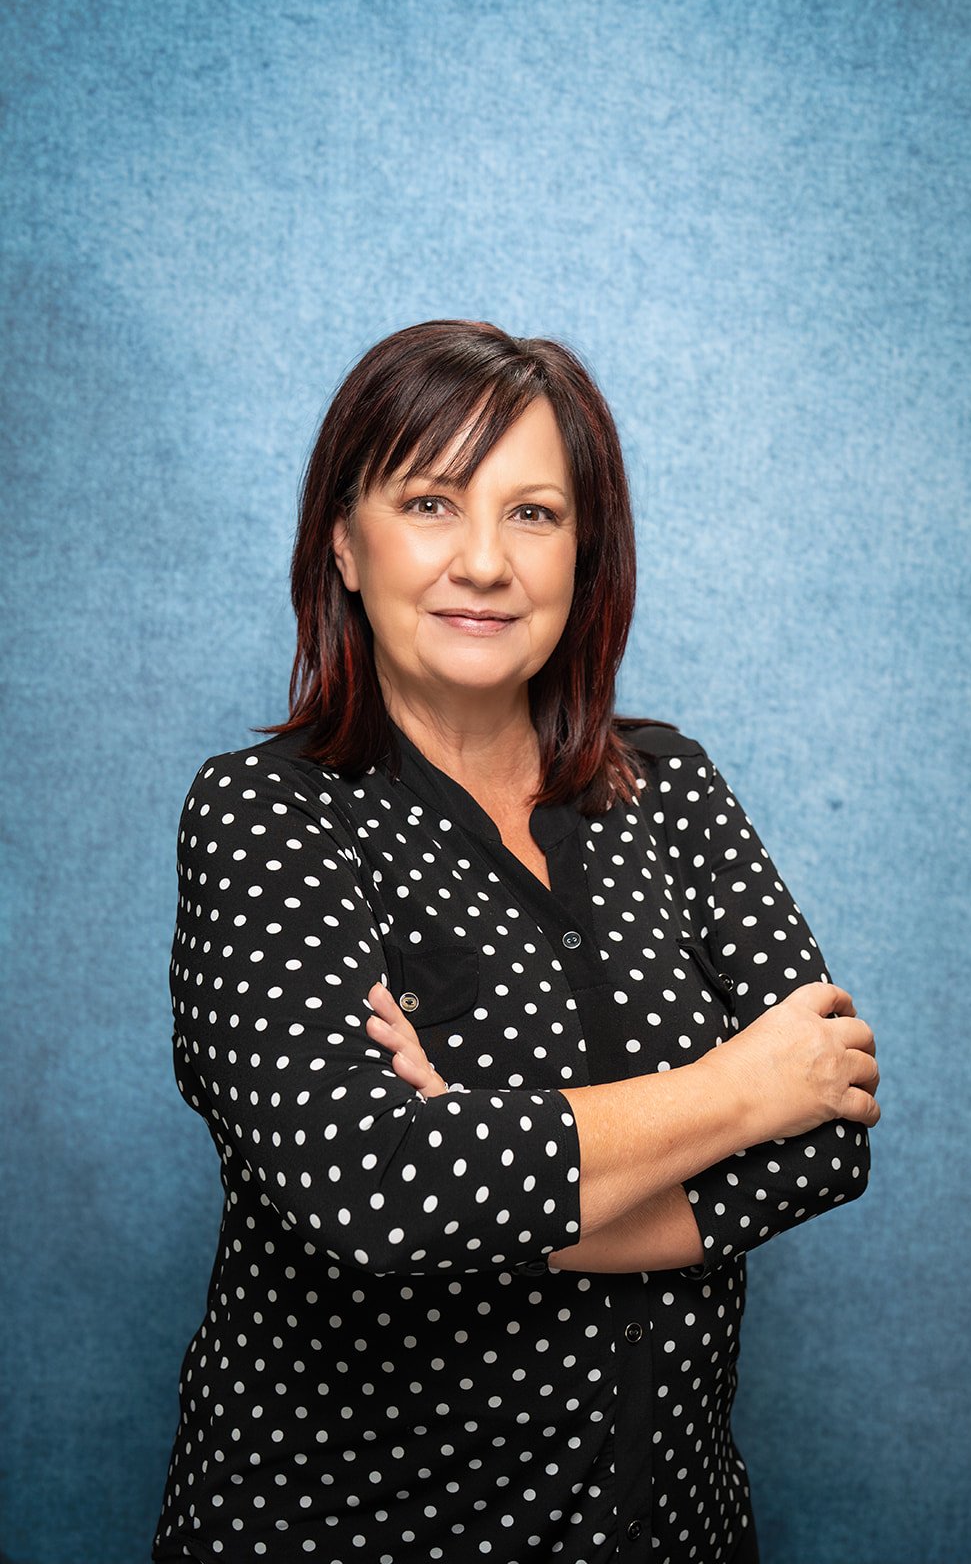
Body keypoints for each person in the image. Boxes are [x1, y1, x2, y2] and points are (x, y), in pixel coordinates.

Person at [154, 320, 879, 1564]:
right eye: (429, 501)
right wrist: (729, 1090)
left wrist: (489, 1153)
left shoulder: (670, 786)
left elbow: (823, 1136)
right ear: (342, 539)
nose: (483, 561)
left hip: (676, 1528)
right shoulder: (266, 816)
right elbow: (367, 1188)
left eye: (533, 513)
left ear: (583, 549)